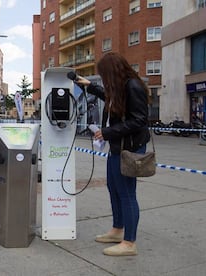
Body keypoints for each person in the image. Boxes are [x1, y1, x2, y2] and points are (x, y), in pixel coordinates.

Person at [75, 52, 150, 256]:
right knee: (114, 188)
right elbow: (108, 97)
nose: (104, 80)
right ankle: (118, 230)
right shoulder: (120, 87)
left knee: (126, 194)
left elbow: (139, 120)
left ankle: (129, 243)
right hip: (118, 146)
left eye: (104, 75)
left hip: (130, 148)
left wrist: (107, 132)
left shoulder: (133, 86)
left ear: (112, 72)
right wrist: (89, 85)